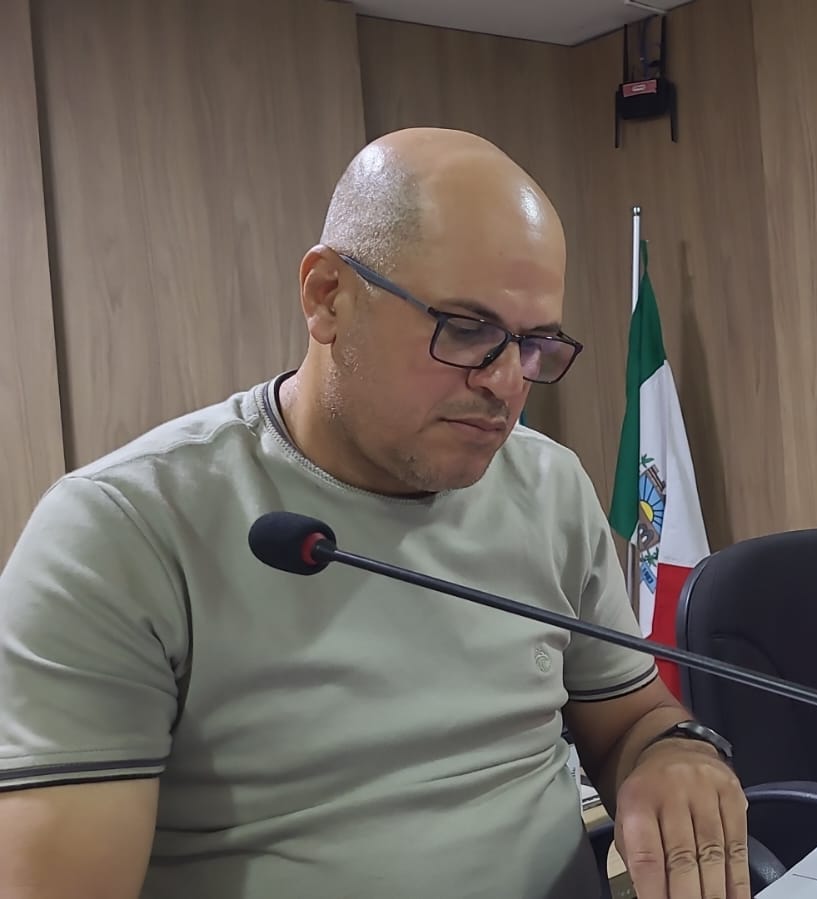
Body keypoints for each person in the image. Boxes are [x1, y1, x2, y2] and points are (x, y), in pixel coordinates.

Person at [0, 128, 749, 899]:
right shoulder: (119, 533)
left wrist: (672, 752)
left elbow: (628, 719)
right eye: (467, 330)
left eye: (534, 344)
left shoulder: (547, 484)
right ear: (328, 296)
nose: (504, 382)